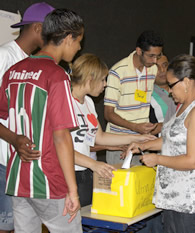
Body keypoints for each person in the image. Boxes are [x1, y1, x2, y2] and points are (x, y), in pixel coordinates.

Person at [0, 9, 84, 232]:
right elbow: (61, 136)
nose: (79, 48)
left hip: (18, 179)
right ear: (67, 38)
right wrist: (72, 190)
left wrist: (15, 139)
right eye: (78, 41)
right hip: (49, 181)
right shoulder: (56, 75)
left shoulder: (13, 72)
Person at [127, 54, 195, 233]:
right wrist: (145, 145)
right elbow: (173, 140)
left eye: (171, 85)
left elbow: (193, 161)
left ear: (186, 82)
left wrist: (157, 159)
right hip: (175, 197)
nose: (170, 91)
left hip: (191, 200)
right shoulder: (185, 106)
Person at [70, 53, 156, 207]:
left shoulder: (88, 102)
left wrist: (136, 138)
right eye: (103, 80)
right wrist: (94, 164)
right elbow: (60, 148)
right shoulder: (64, 101)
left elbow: (100, 137)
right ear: (90, 79)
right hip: (67, 173)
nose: (105, 85)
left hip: (85, 171)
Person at [0, 3, 54, 232]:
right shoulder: (5, 56)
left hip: (26, 162)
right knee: (6, 225)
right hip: (4, 159)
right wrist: (14, 139)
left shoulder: (38, 62)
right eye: (53, 32)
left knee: (21, 225)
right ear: (39, 29)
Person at [104, 30, 163, 165]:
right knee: (119, 185)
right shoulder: (117, 72)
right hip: (119, 144)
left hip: (143, 141)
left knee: (142, 185)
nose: (155, 61)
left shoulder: (152, 69)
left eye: (157, 56)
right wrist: (135, 127)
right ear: (138, 51)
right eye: (151, 56)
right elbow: (108, 114)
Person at [149, 54, 177, 135]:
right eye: (156, 67)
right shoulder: (145, 95)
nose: (162, 70)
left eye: (165, 65)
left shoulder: (182, 89)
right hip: (159, 144)